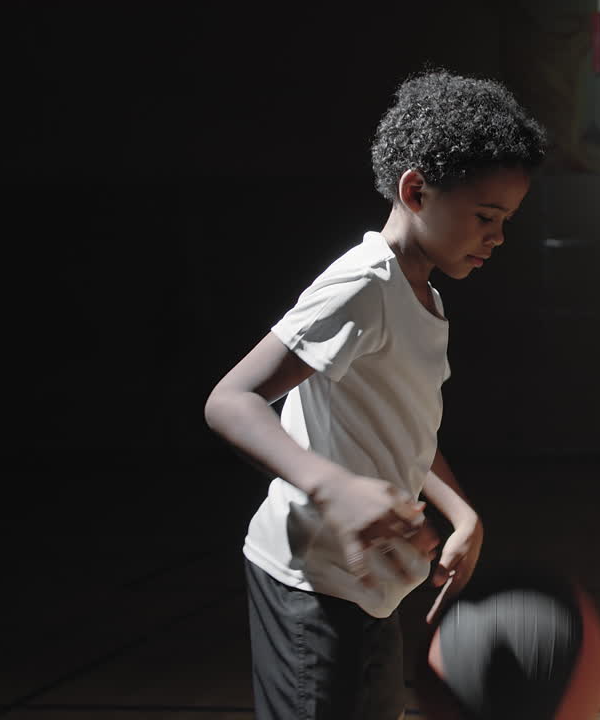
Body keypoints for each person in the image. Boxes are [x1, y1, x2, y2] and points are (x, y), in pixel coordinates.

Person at [204, 69, 547, 719]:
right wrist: (334, 487)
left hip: (375, 585)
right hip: (311, 580)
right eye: (485, 216)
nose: (497, 237)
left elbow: (404, 430)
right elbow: (231, 400)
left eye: (506, 221)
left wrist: (460, 511)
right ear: (416, 190)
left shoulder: (427, 297)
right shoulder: (363, 283)